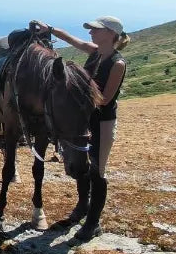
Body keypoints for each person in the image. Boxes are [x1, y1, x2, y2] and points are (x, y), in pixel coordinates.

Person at [33, 16, 129, 241]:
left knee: (97, 171)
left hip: (102, 123)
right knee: (82, 166)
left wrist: (76, 91)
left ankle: (93, 222)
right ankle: (82, 206)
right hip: (83, 120)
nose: (91, 33)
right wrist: (52, 29)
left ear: (110, 34)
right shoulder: (95, 52)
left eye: (96, 30)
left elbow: (105, 99)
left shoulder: (117, 63)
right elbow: (72, 40)